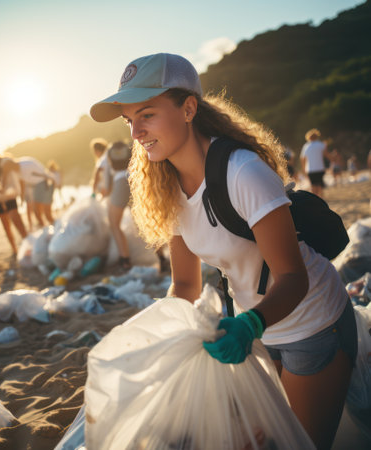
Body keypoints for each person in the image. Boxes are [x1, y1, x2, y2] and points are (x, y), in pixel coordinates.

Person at [90, 53, 357, 449]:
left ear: (189, 109)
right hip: (256, 331)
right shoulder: (168, 187)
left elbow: (293, 277)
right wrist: (159, 343)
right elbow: (184, 285)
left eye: (147, 115)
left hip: (311, 323)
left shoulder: (243, 173)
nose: (135, 133)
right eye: (130, 121)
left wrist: (249, 326)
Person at [0, 147, 27, 255]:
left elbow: (18, 169)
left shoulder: (5, 162)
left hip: (9, 197)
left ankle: (27, 244)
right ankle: (15, 249)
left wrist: (5, 173)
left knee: (16, 223)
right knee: (7, 226)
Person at [105, 141, 132, 271]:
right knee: (145, 225)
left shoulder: (109, 153)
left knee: (114, 224)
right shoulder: (129, 149)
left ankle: (124, 260)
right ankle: (161, 258)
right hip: (134, 180)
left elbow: (106, 186)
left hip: (120, 183)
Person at [16, 156, 55, 228]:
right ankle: (47, 227)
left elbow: (44, 175)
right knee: (39, 212)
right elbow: (22, 185)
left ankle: (51, 227)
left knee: (44, 213)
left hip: (45, 184)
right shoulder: (20, 168)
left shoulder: (24, 165)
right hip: (43, 184)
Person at [300, 129, 330, 198]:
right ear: (317, 136)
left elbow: (302, 159)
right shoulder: (321, 144)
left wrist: (303, 169)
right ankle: (321, 198)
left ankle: (315, 199)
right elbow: (326, 155)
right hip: (320, 168)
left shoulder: (306, 146)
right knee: (320, 185)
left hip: (310, 169)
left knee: (313, 185)